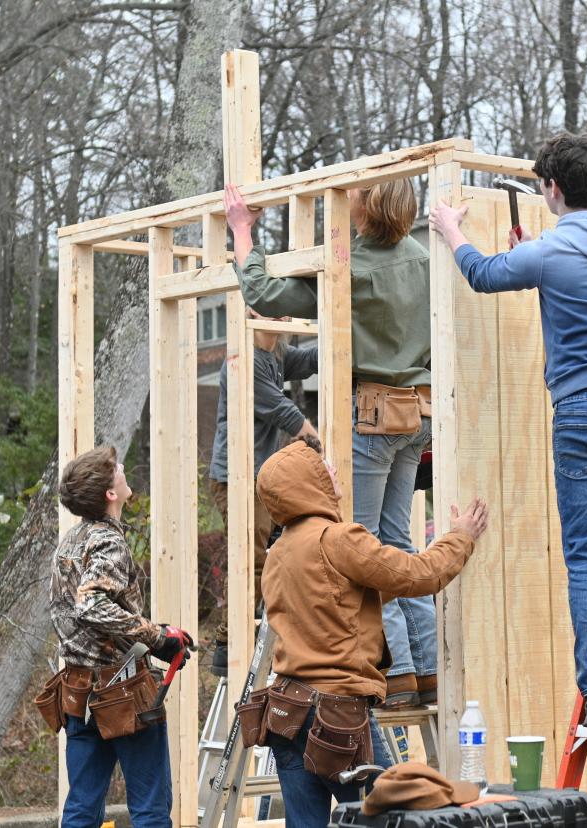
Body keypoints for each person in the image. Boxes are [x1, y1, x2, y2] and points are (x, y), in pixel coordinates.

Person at [428, 132, 587, 727]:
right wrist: (537, 252)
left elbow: (484, 274)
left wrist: (449, 227)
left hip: (583, 410)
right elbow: (578, 271)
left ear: (554, 188)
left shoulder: (549, 253)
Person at [225, 179, 437, 708]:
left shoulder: (350, 266)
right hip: (416, 413)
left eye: (352, 195)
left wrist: (243, 232)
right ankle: (427, 666)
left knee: (361, 545)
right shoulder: (422, 258)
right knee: (398, 542)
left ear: (363, 206)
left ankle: (401, 672)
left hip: (368, 415)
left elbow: (263, 295)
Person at [249, 435, 488, 828]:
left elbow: (344, 600)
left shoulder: (278, 554)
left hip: (287, 712)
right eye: (323, 467)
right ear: (309, 482)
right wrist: (461, 536)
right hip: (337, 714)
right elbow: (418, 575)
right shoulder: (337, 539)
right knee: (390, 818)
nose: (333, 471)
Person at [49, 446, 193, 828]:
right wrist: (158, 637)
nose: (124, 469)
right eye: (116, 469)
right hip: (123, 693)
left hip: (80, 690)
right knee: (150, 809)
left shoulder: (71, 540)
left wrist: (153, 636)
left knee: (81, 808)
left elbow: (82, 617)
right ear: (110, 494)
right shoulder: (107, 541)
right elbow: (91, 606)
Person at [206, 308, 318, 654]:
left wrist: (348, 331)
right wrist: (317, 444)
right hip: (235, 476)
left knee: (269, 556)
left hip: (259, 477)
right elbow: (283, 411)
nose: (282, 315)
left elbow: (313, 358)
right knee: (250, 558)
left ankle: (252, 627)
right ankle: (230, 641)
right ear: (250, 314)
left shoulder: (277, 354)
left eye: (284, 308)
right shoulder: (244, 360)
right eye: (272, 309)